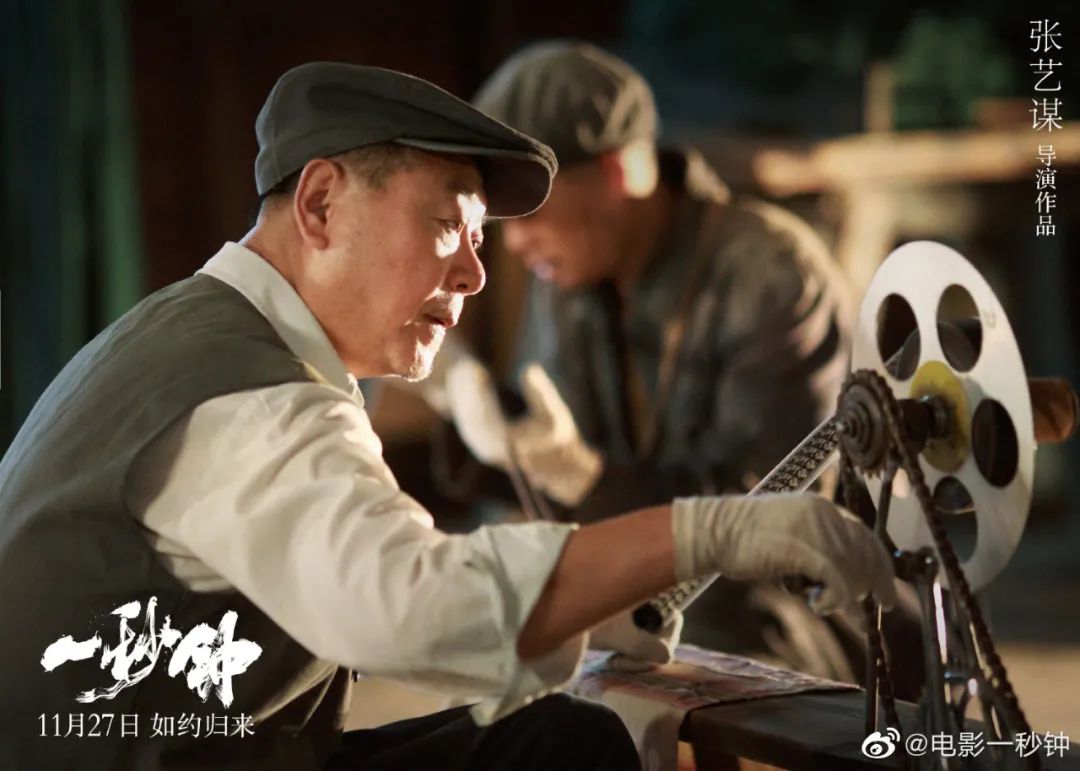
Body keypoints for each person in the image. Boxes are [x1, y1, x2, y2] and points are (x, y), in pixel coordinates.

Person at [0, 62, 895, 771]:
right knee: (570, 750)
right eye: (446, 226)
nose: (474, 274)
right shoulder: (247, 396)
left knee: (562, 732)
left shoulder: (192, 336)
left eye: (479, 240)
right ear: (320, 205)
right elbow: (407, 605)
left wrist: (587, 603)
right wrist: (706, 532)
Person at [439, 41, 861, 671]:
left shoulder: (773, 274)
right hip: (638, 576)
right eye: (501, 216)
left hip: (794, 603)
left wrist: (583, 477)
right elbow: (548, 493)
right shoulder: (571, 268)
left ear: (619, 174)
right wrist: (481, 424)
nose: (515, 242)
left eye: (532, 209)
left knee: (687, 642)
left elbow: (766, 519)